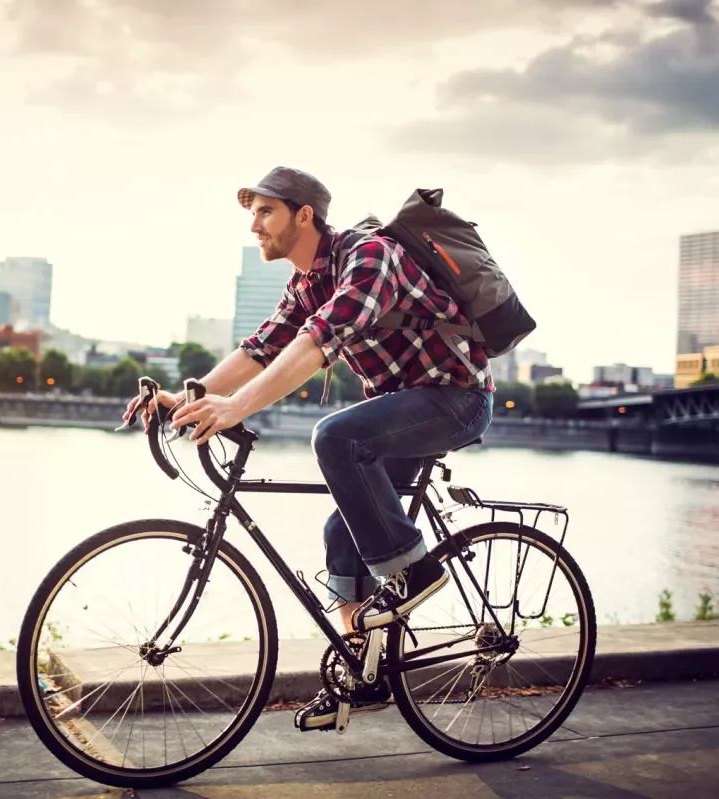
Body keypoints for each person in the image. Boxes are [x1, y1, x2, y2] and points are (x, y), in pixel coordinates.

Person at [122, 166, 494, 731]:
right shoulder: (304, 284)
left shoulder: (370, 257)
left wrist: (236, 409)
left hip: (455, 400)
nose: (254, 225)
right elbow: (261, 349)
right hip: (402, 411)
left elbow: (318, 343)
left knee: (335, 435)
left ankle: (417, 574)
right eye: (252, 213)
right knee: (341, 535)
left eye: (265, 211)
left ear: (304, 215)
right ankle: (368, 678)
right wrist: (187, 398)